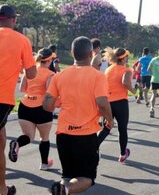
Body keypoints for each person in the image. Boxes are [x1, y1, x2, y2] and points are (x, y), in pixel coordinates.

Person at [43, 36, 113, 195]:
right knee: (87, 177)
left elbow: (47, 105)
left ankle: (63, 188)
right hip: (85, 135)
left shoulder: (59, 76)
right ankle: (64, 189)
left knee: (67, 174)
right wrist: (109, 119)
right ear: (91, 54)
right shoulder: (98, 76)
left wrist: (61, 100)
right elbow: (102, 102)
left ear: (72, 53)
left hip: (63, 134)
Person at [0, 4, 37, 195]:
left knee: (1, 138)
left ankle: (3, 188)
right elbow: (31, 74)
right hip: (2, 99)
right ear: (13, 19)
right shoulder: (22, 40)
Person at [8, 48, 55, 171]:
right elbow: (49, 93)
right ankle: (44, 164)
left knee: (28, 136)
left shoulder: (29, 70)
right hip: (41, 108)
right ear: (49, 60)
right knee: (44, 138)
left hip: (25, 105)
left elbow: (22, 89)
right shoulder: (50, 74)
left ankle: (17, 143)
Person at [97, 47, 137, 163]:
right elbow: (125, 82)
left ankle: (94, 147)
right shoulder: (126, 70)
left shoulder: (108, 69)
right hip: (120, 102)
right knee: (122, 128)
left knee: (107, 127)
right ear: (123, 58)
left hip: (108, 101)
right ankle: (122, 153)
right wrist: (133, 90)